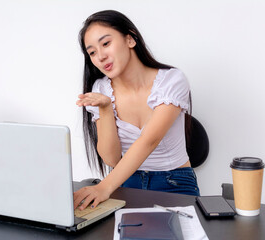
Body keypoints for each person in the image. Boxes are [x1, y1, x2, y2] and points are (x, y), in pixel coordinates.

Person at [74, 10, 200, 211]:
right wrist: (106, 109)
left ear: (130, 40)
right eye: (92, 52)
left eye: (106, 44)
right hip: (125, 182)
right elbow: (111, 159)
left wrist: (103, 187)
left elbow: (149, 140)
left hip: (173, 182)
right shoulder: (100, 89)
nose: (100, 56)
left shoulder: (172, 80)